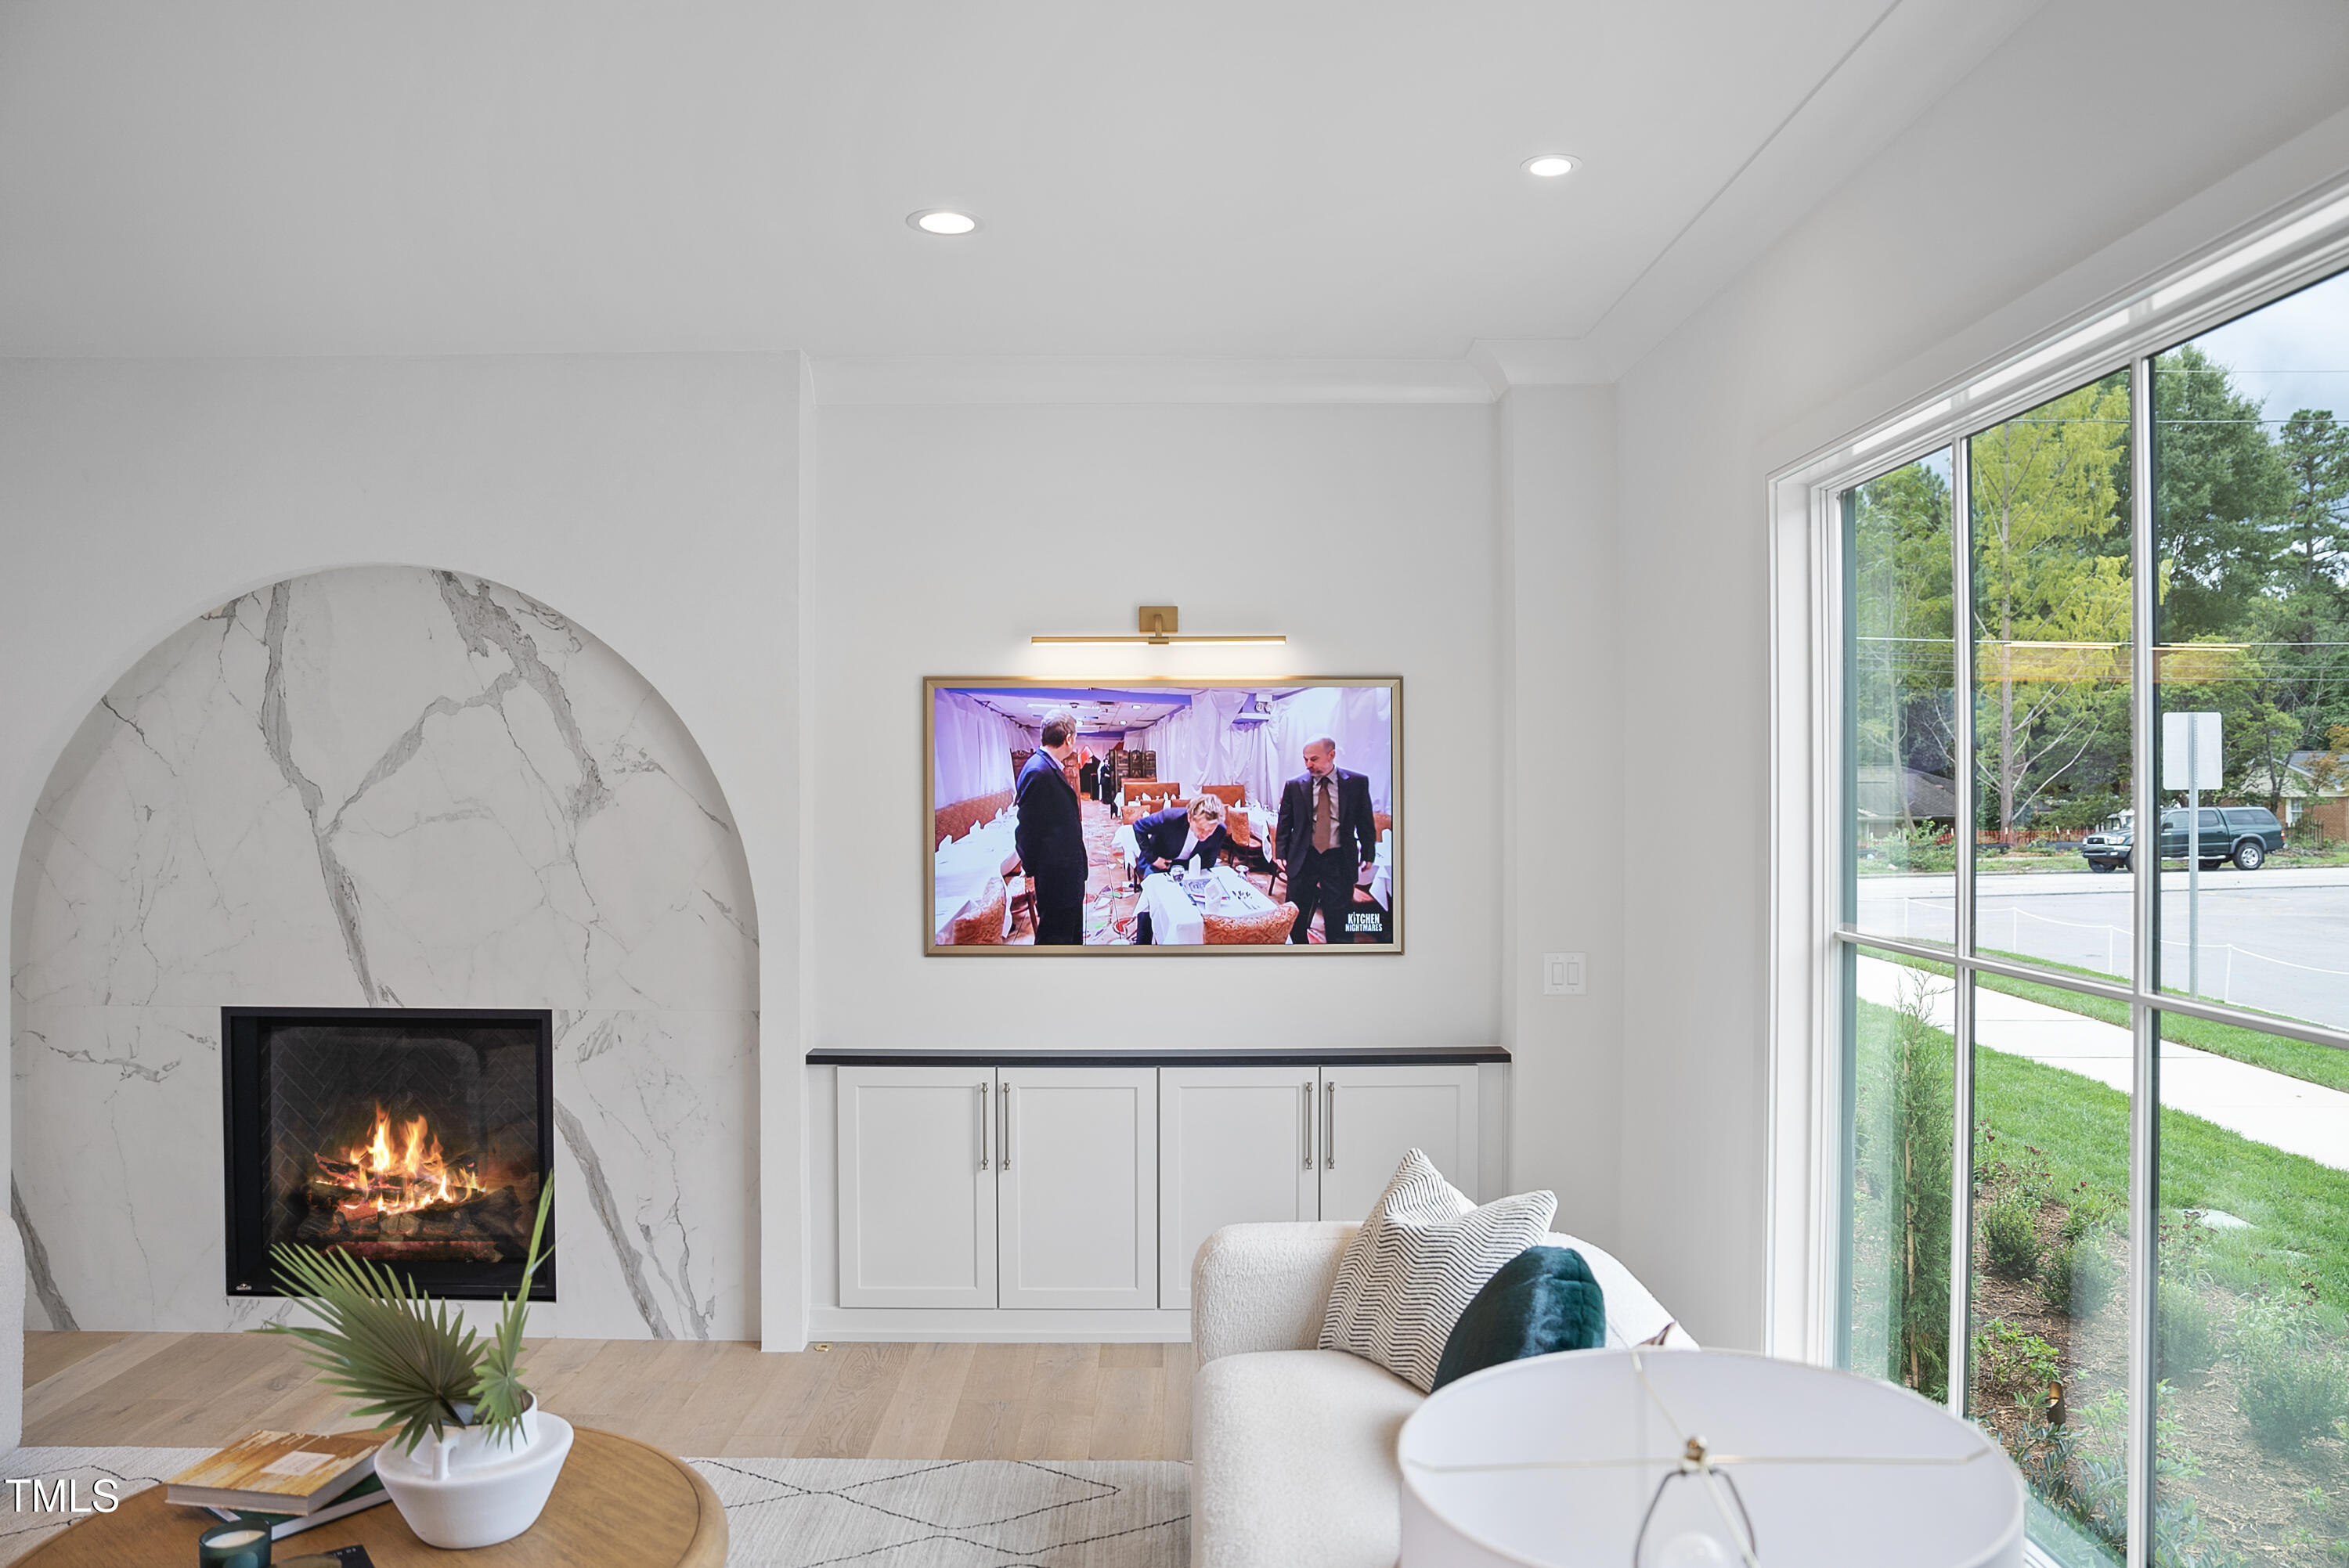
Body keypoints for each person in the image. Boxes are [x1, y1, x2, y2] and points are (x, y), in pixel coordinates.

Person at [1274, 736, 1379, 944]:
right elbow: (1285, 821)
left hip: (1338, 859)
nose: (1308, 765)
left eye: (1314, 759)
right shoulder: (1295, 785)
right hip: (1304, 858)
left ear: (1332, 755)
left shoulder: (1356, 783)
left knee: (1339, 919)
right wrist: (1281, 852)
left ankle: (1337, 960)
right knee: (1295, 915)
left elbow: (1365, 821)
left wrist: (1368, 851)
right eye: (1305, 760)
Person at [1013, 708, 1090, 945]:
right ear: (1069, 738)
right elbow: (1027, 831)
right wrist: (1033, 872)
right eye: (1075, 737)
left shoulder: (1048, 765)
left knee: (1070, 934)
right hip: (1056, 876)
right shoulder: (1039, 771)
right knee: (1056, 939)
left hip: (1065, 873)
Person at [1130, 796, 1233, 945]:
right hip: (1160, 862)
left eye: (1210, 831)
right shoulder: (1170, 818)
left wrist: (1195, 874)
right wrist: (1153, 858)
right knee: (1151, 897)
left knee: (1209, 897)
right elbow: (1138, 827)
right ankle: (1142, 943)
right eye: (1201, 829)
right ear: (1190, 818)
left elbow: (1209, 862)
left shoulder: (1219, 830)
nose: (1205, 835)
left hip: (1188, 865)